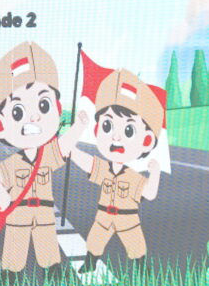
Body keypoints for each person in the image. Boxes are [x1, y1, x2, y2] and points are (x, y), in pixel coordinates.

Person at [0, 41, 67, 272]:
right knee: (13, 257)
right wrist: (1, 196)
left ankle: (54, 279)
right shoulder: (12, 163)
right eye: (18, 112)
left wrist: (79, 127)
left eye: (44, 105)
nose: (34, 118)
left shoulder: (47, 154)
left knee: (49, 256)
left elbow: (64, 147)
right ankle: (10, 280)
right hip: (18, 214)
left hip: (45, 215)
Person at [68, 66, 167, 262]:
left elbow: (149, 193)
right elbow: (83, 160)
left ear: (146, 140)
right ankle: (90, 262)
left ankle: (141, 268)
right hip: (103, 216)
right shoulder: (103, 169)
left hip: (128, 218)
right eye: (108, 126)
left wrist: (155, 172)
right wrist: (75, 135)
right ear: (97, 130)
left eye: (129, 131)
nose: (116, 137)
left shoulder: (133, 177)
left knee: (136, 245)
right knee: (95, 241)